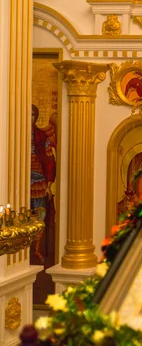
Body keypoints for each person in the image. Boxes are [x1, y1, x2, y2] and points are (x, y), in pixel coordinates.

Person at [30, 105, 56, 263]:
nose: (30, 118)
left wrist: (49, 184)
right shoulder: (15, 134)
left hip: (39, 181)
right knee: (21, 216)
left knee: (39, 215)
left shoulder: (41, 136)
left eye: (33, 115)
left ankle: (37, 249)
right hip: (19, 183)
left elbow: (50, 162)